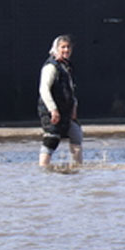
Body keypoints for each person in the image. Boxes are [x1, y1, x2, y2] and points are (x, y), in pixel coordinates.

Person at [37, 34, 82, 168]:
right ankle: (43, 168)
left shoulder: (67, 66)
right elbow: (44, 89)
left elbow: (70, 89)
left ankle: (78, 168)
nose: (66, 50)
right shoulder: (51, 67)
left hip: (66, 111)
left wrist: (74, 106)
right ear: (56, 48)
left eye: (68, 47)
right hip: (51, 111)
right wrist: (53, 109)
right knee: (52, 138)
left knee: (76, 134)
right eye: (63, 47)